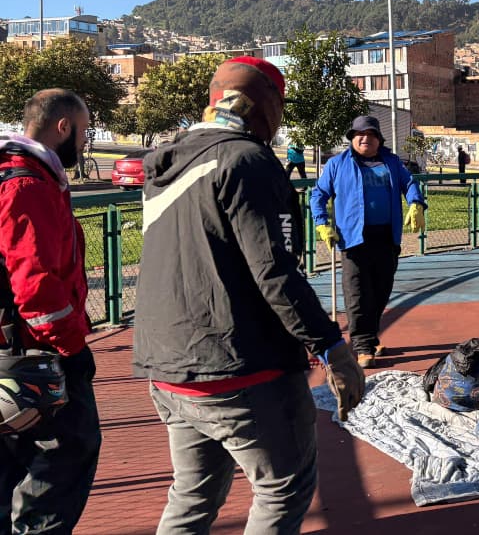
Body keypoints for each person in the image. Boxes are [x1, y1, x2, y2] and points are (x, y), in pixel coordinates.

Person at [133, 57, 365, 533]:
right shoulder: (248, 161)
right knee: (284, 488)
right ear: (263, 107)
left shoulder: (166, 165)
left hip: (167, 365)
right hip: (240, 365)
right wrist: (332, 349)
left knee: (192, 494)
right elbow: (275, 274)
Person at [0, 89, 101, 534]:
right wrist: (74, 349)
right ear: (64, 127)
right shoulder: (28, 183)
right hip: (36, 355)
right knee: (67, 451)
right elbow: (36, 283)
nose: (84, 143)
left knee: (12, 460)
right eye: (83, 133)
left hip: (15, 347)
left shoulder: (19, 174)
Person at [311, 115, 426, 369]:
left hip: (386, 237)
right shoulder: (337, 164)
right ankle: (362, 346)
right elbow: (318, 194)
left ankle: (369, 338)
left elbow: (409, 183)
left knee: (380, 292)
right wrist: (322, 223)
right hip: (353, 239)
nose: (365, 139)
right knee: (358, 294)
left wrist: (416, 203)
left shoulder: (392, 162)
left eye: (371, 134)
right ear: (352, 138)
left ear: (378, 139)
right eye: (359, 134)